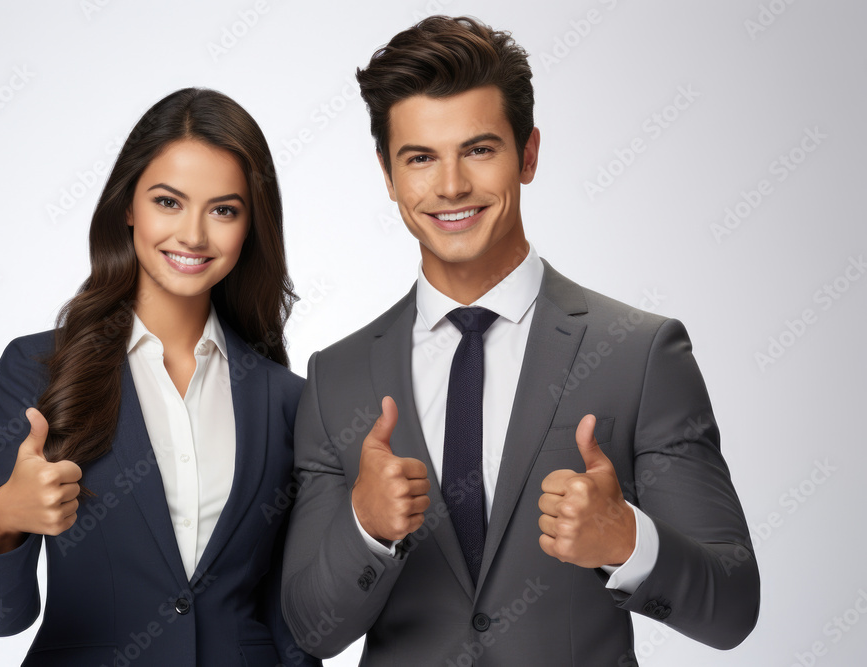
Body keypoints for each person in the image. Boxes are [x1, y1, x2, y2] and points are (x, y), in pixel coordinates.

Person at [280, 16, 759, 666]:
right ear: (388, 176)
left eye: (479, 149)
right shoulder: (337, 378)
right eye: (420, 157)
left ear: (528, 154)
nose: (450, 186)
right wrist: (363, 528)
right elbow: (311, 630)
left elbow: (732, 605)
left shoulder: (640, 355)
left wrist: (627, 540)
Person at [0, 88, 320, 667]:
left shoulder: (288, 400)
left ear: (251, 225)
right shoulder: (36, 371)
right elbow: (0, 616)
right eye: (168, 202)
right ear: (127, 205)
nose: (194, 235)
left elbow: (290, 624)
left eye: (224, 209)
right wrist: (5, 518)